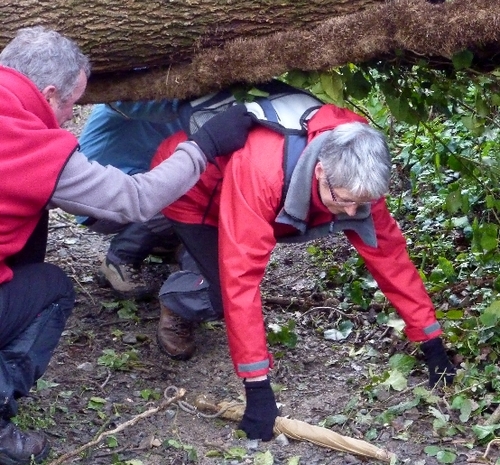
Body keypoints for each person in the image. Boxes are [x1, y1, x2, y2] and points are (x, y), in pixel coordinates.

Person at [0, 25, 252, 465]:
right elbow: (136, 200)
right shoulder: (26, 139)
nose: (68, 119)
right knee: (53, 290)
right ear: (49, 91)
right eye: (70, 106)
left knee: (32, 215)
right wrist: (207, 144)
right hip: (132, 195)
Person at [151, 89, 457, 441]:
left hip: (237, 189)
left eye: (363, 204)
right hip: (190, 188)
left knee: (217, 265)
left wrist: (431, 341)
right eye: (344, 201)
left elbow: (391, 259)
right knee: (222, 293)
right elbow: (242, 278)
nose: (353, 213)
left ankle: (175, 251)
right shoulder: (263, 171)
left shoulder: (358, 167)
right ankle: (172, 295)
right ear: (320, 171)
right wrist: (257, 388)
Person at [77, 101, 185, 299]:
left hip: (130, 188)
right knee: (184, 194)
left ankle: (163, 247)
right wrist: (192, 106)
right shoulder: (127, 101)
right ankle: (121, 258)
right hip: (94, 197)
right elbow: (119, 101)